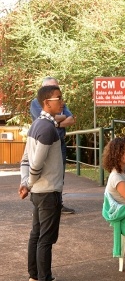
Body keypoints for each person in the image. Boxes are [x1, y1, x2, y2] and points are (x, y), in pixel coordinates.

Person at [19, 85, 73, 281]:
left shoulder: (36, 125)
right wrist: (29, 182)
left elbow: (25, 158)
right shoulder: (48, 128)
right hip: (47, 190)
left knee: (37, 234)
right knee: (45, 238)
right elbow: (36, 162)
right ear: (46, 103)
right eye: (58, 98)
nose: (62, 102)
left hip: (39, 191)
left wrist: (26, 182)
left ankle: (35, 277)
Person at [30, 77, 76, 214]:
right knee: (43, 172)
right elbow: (44, 117)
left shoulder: (61, 104)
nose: (61, 101)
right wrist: (56, 120)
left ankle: (58, 203)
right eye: (53, 88)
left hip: (59, 141)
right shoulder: (35, 103)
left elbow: (71, 119)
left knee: (58, 174)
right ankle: (40, 204)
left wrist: (55, 122)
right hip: (46, 140)